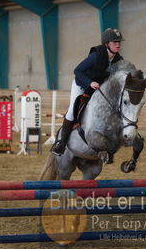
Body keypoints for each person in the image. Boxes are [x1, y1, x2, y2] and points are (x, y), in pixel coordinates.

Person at [51, 28, 125, 156]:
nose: (118, 44)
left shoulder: (118, 60)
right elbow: (77, 71)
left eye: (119, 41)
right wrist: (89, 83)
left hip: (99, 89)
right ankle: (61, 143)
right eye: (114, 42)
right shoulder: (95, 56)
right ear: (106, 44)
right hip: (82, 85)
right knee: (71, 112)